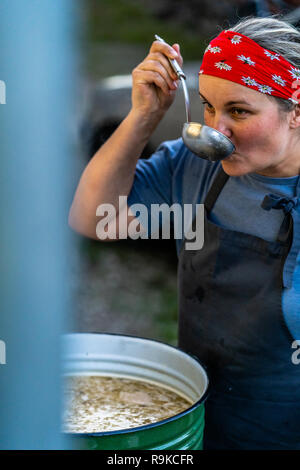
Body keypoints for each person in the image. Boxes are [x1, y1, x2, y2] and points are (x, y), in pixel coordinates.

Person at [69, 16, 300, 449]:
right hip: (199, 419)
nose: (217, 129)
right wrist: (144, 116)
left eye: (239, 111)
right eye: (209, 107)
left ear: (296, 109)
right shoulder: (194, 167)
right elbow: (94, 218)